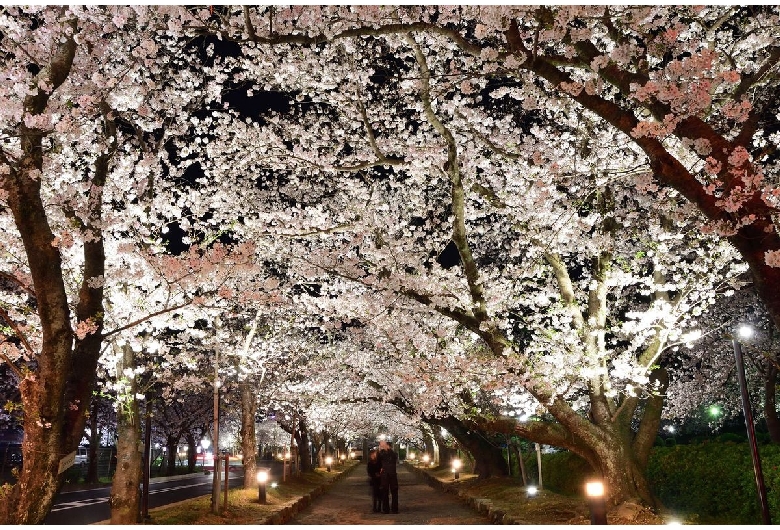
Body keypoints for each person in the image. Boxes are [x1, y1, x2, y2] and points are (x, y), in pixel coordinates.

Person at [377, 440, 398, 514]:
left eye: (383, 444)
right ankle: (386, 509)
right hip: (384, 475)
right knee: (384, 492)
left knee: (394, 491)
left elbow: (394, 457)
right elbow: (378, 462)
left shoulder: (393, 454)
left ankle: (394, 509)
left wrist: (387, 449)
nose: (382, 445)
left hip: (392, 474)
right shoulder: (380, 453)